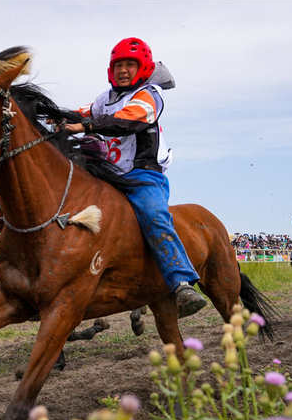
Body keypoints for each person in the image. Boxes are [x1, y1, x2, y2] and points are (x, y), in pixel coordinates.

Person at [64, 37, 206, 317]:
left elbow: (127, 120)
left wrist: (86, 125)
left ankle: (181, 283)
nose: (123, 70)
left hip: (143, 176)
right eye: (119, 65)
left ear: (143, 68)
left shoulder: (149, 95)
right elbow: (81, 112)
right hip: (108, 177)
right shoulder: (105, 99)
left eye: (130, 64)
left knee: (154, 215)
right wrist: (49, 115)